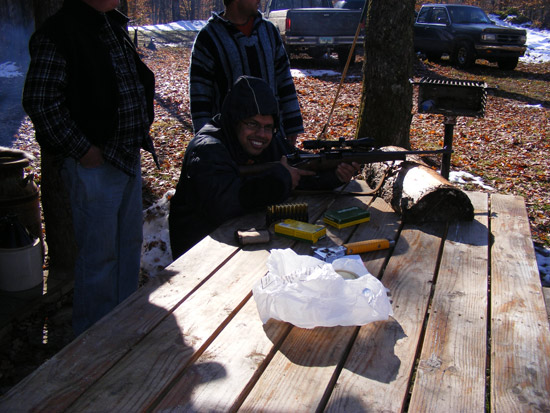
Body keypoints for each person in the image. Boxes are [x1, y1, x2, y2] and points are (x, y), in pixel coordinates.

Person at [22, 0, 157, 336]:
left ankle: (121, 332)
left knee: (127, 249)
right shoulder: (59, 33)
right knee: (98, 261)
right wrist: (84, 151)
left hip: (126, 158)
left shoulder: (111, 23)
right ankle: (93, 348)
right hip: (95, 166)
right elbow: (41, 102)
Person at [169, 76, 358, 259]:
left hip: (247, 240)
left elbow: (302, 170)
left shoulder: (270, 141)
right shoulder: (207, 149)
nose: (262, 134)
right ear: (234, 120)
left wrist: (335, 175)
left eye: (268, 127)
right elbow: (224, 204)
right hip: (201, 254)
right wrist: (280, 181)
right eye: (252, 124)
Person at [189, 0, 303, 147]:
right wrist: (205, 142)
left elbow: (284, 80)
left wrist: (292, 125)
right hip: (228, 145)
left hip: (271, 139)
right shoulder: (208, 38)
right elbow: (200, 97)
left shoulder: (269, 31)